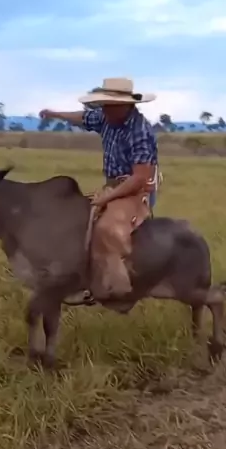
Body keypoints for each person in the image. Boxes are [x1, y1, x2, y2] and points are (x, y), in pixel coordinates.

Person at [39, 76, 159, 305]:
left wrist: (107, 197)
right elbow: (83, 117)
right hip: (113, 185)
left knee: (105, 229)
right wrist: (55, 114)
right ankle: (81, 277)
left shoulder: (140, 131)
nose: (104, 110)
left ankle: (115, 286)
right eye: (103, 105)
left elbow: (140, 178)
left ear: (126, 105)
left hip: (136, 190)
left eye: (109, 105)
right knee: (75, 219)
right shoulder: (106, 116)